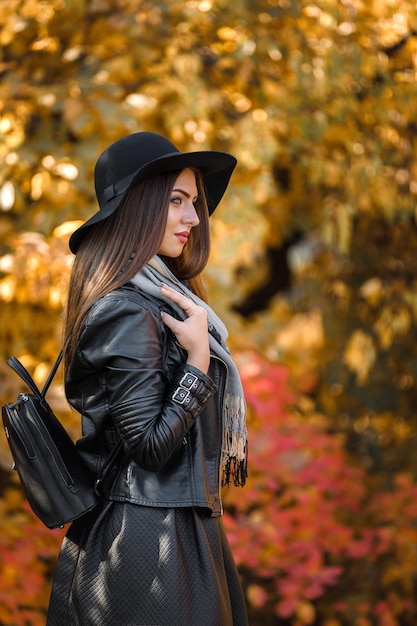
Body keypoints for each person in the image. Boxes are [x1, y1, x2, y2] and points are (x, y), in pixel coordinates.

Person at [46, 131, 249, 626]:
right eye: (177, 201)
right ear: (137, 207)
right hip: (145, 541)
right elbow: (150, 447)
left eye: (194, 203)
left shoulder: (161, 302)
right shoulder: (126, 309)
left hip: (172, 529)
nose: (194, 218)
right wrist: (199, 359)